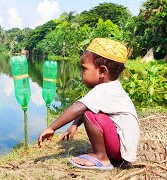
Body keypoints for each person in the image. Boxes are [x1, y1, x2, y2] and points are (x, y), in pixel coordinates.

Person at [37, 38, 140, 171]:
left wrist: (52, 128)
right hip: (122, 150)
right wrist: (74, 125)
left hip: (119, 151)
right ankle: (103, 153)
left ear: (102, 72)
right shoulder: (111, 87)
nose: (81, 74)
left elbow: (79, 108)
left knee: (90, 114)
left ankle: (101, 157)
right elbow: (88, 106)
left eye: (84, 69)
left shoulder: (104, 89)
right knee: (91, 111)